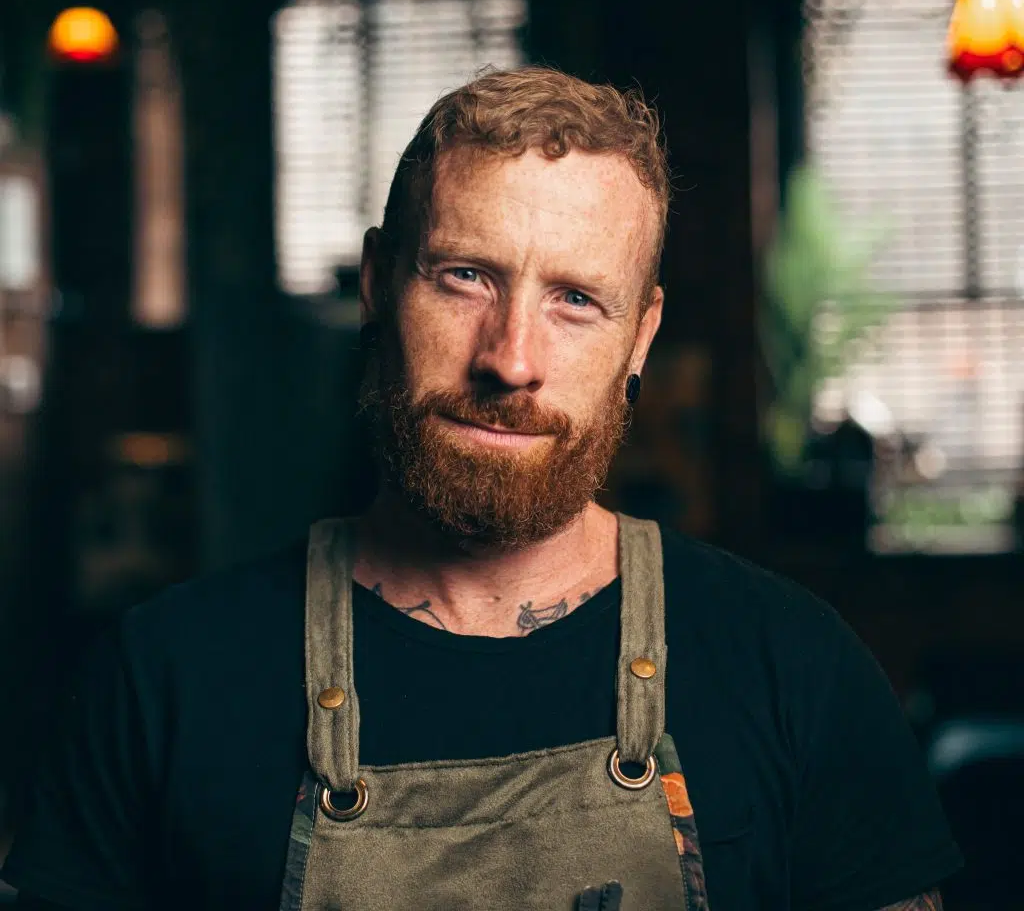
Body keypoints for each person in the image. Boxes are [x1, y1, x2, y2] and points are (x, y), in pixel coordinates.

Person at [3, 67, 961, 910]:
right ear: (380, 284)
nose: (510, 359)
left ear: (641, 338)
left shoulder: (797, 671)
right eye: (465, 276)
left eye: (576, 300)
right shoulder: (161, 681)